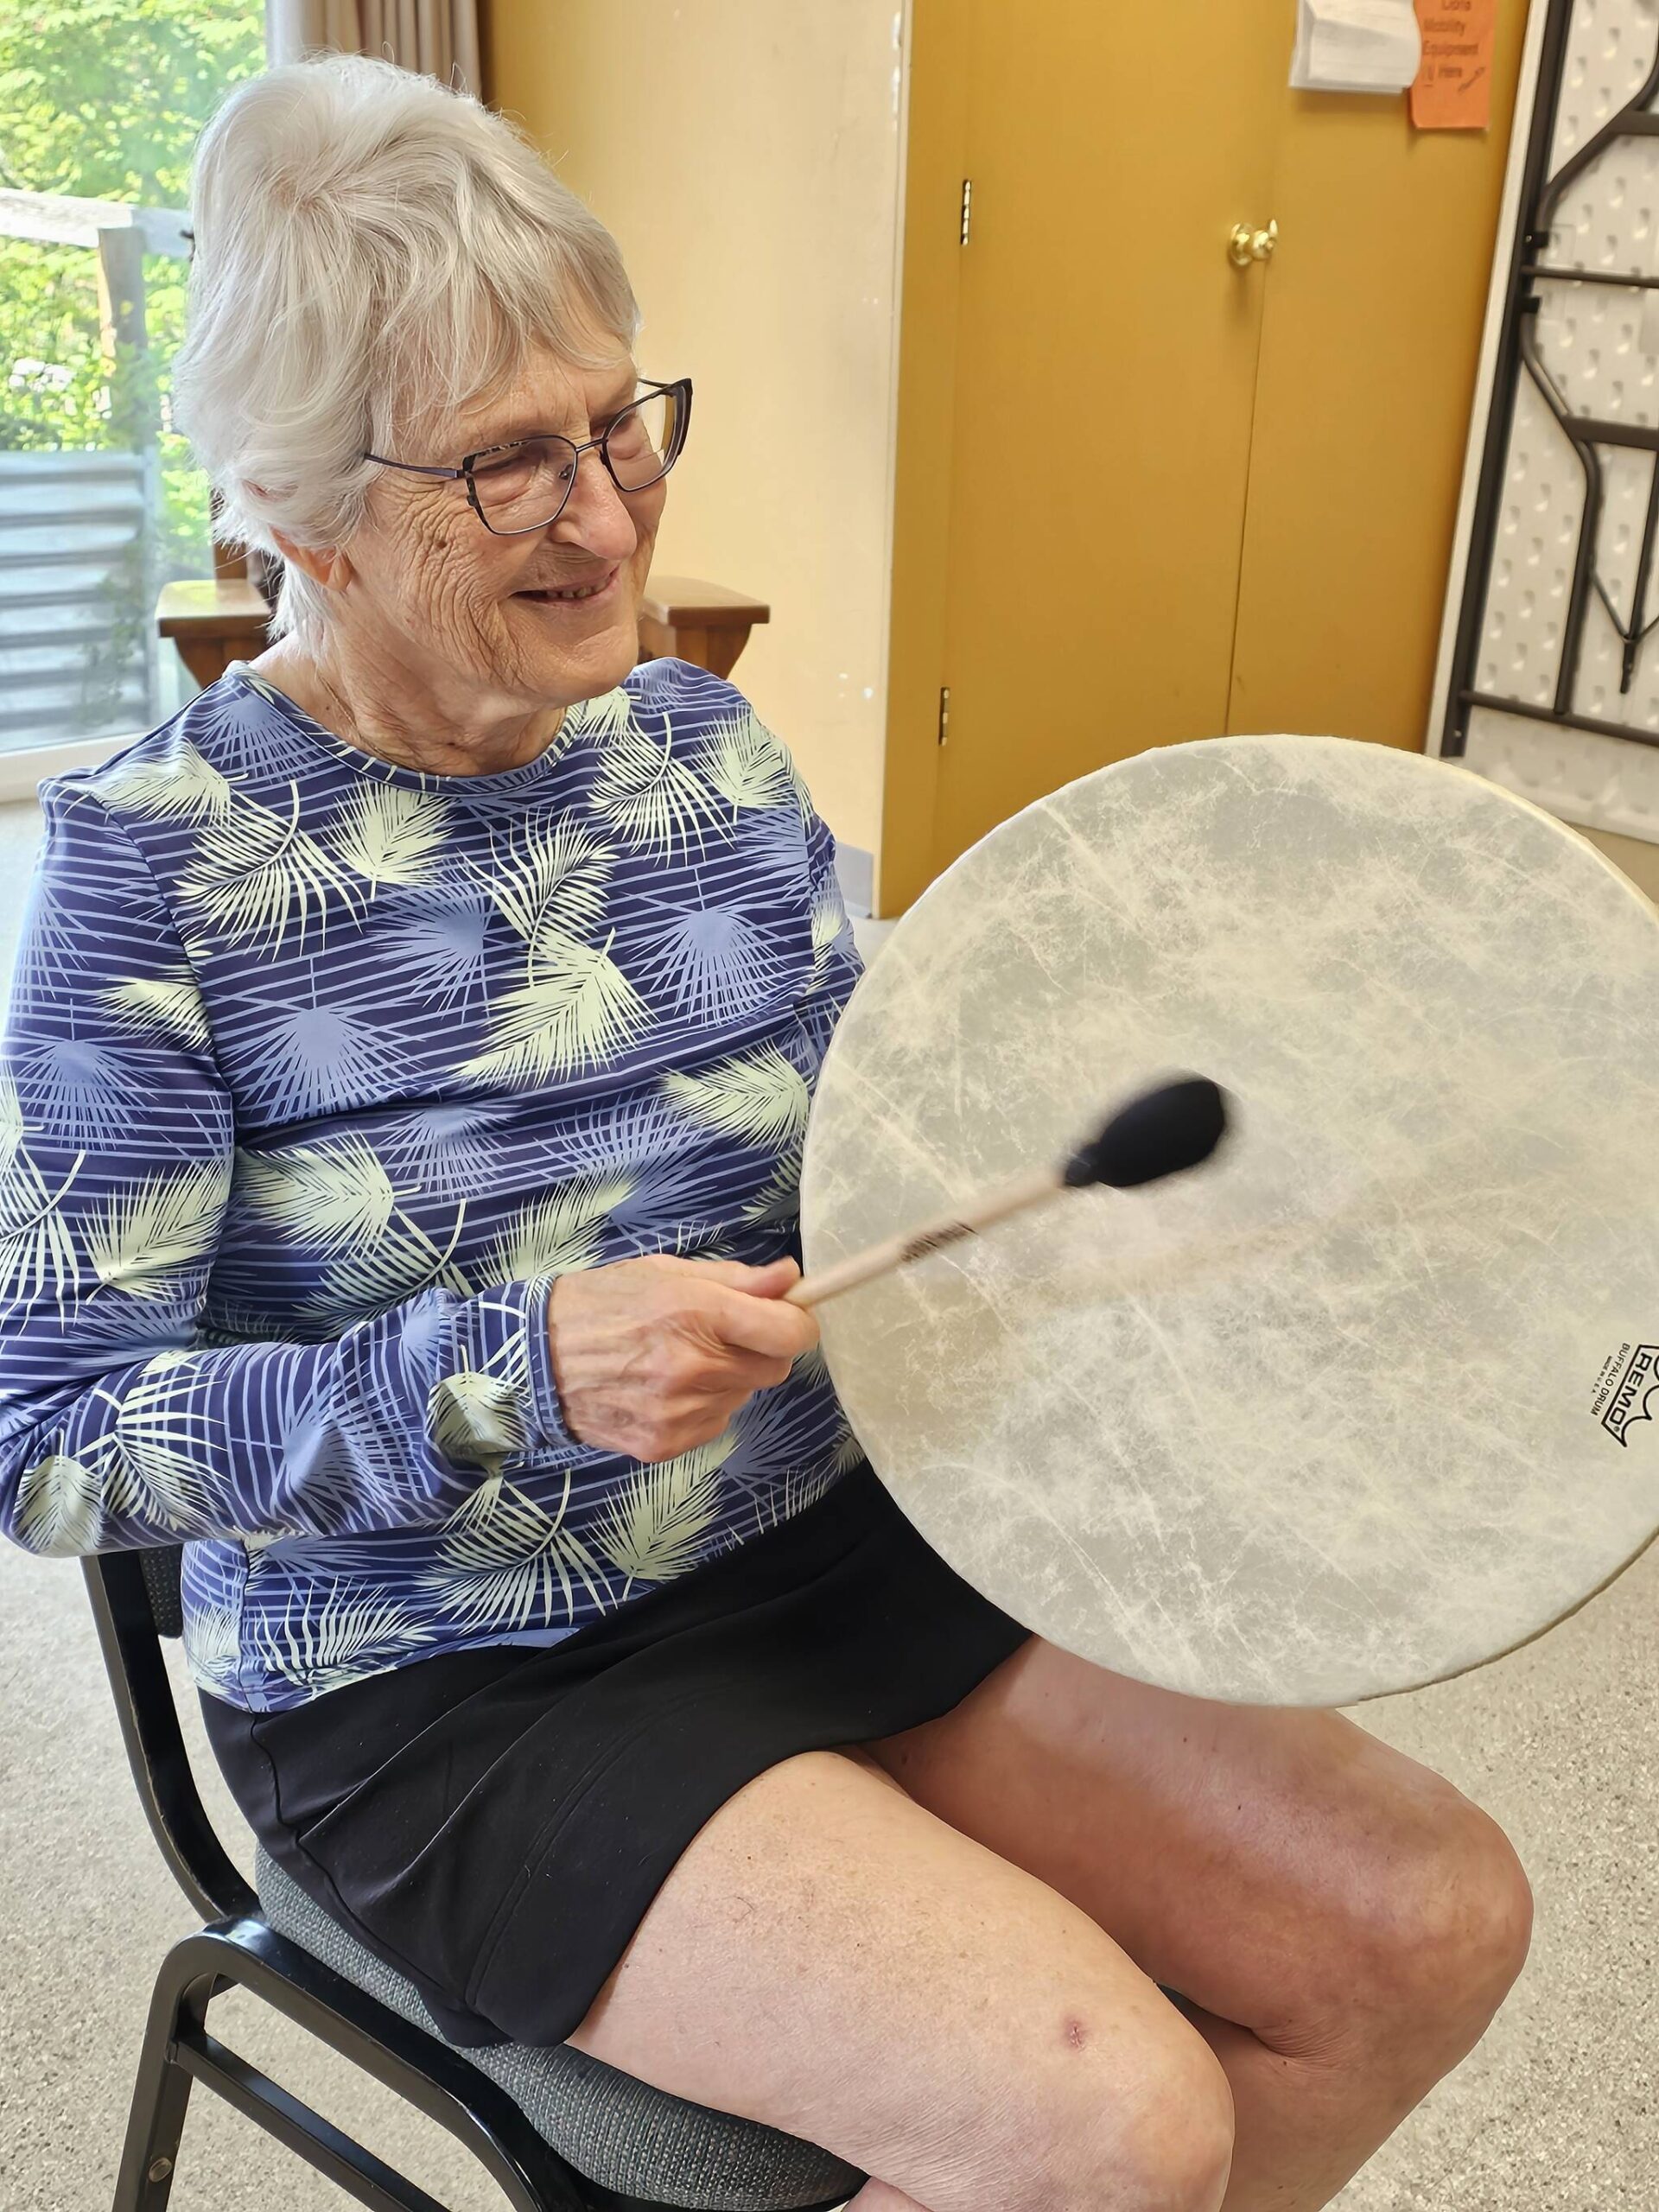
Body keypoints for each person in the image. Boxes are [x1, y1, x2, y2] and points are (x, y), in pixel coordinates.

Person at [0, 54, 1532, 2212]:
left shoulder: (701, 756)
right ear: (302, 506)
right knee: (1110, 2122)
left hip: (820, 1547)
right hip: (452, 1688)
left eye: (621, 422)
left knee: (1426, 1921)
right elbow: (57, 1437)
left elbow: (890, 1145)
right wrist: (516, 1371)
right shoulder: (153, 872)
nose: (614, 520)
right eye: (508, 467)